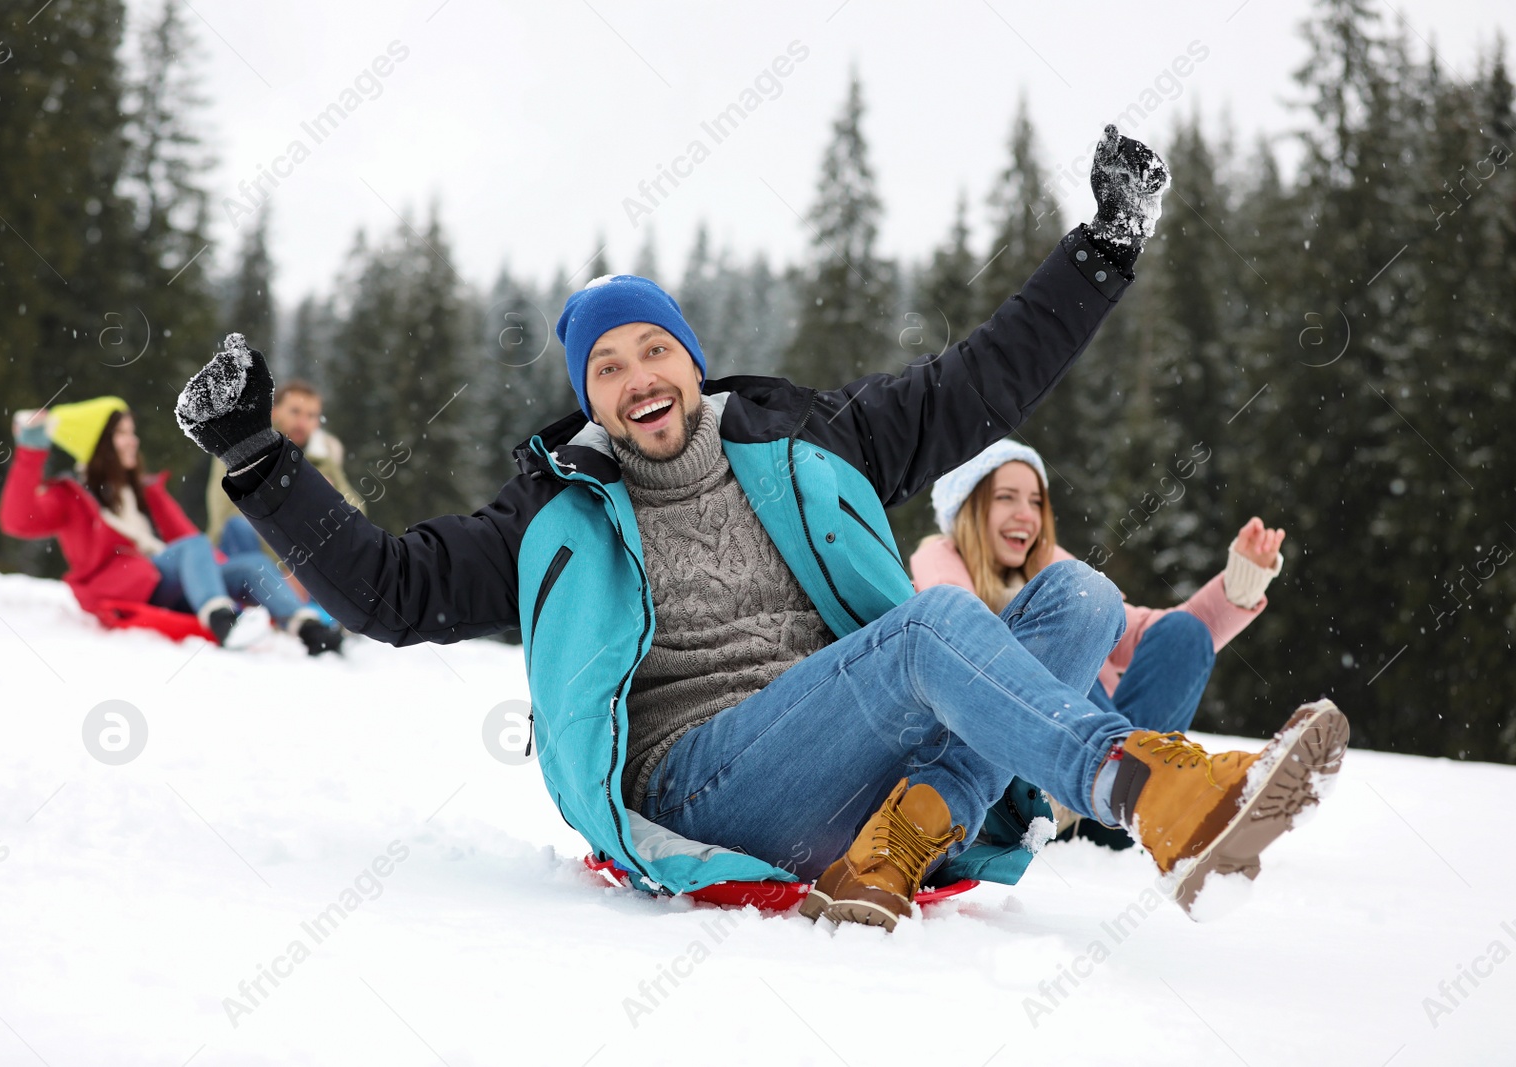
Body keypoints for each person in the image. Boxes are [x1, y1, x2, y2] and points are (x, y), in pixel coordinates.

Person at [177, 127, 1348, 928]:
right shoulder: (553, 514)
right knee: (932, 627)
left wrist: (1103, 249)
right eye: (606, 365)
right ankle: (1153, 795)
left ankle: (902, 834)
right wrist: (257, 459)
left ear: (691, 361)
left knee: (1079, 597)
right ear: (590, 399)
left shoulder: (805, 439)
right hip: (704, 780)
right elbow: (388, 588)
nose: (637, 374)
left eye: (653, 349)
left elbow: (976, 384)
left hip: (856, 766)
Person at [911, 438, 1286, 845]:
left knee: (1183, 633)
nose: (1026, 513)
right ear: (966, 508)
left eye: (1036, 501)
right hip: (1022, 774)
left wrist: (1242, 583)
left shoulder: (1050, 563)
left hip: (1106, 788)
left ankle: (1147, 789)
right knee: (1063, 658)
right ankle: (1135, 788)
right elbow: (957, 644)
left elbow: (1143, 630)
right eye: (1006, 497)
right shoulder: (941, 561)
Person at [0, 396, 343, 655]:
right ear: (97, 442)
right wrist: (32, 450)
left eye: (131, 432)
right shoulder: (71, 497)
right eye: (121, 433)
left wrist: (223, 571)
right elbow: (16, 520)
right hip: (133, 585)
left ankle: (308, 629)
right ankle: (222, 621)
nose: (133, 440)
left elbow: (189, 539)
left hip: (175, 580)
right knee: (196, 549)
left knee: (251, 565)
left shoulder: (145, 491)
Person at [206, 380, 360, 627]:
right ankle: (292, 608)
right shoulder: (243, 446)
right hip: (245, 549)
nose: (302, 422)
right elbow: (228, 511)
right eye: (295, 412)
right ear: (274, 412)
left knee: (346, 530)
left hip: (298, 557)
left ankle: (306, 607)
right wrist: (291, 562)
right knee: (239, 526)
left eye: (311, 415)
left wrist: (329, 499)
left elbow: (356, 509)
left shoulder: (323, 458)